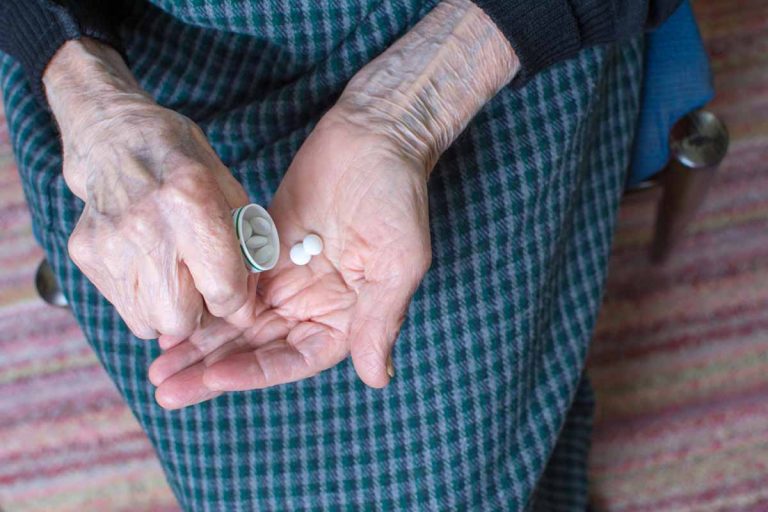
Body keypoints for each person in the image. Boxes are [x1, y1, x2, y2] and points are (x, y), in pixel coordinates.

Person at [0, 0, 681, 509]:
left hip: (477, 41)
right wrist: (91, 99)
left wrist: (404, 113)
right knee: (229, 456)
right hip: (128, 62)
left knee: (445, 462)